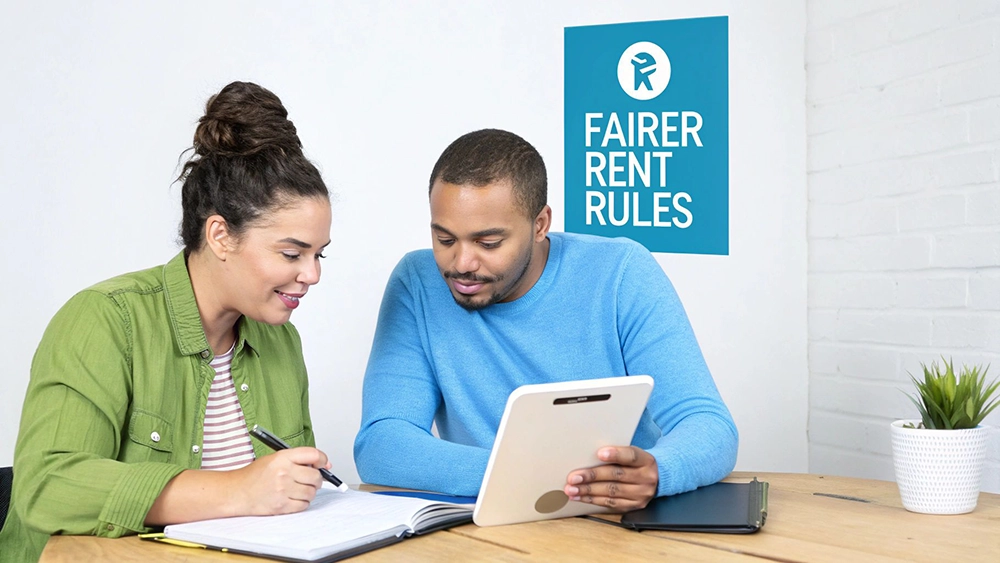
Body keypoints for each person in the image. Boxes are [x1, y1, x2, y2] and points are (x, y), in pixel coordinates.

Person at [0, 81, 334, 562]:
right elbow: (47, 487)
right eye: (291, 253)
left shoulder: (281, 343)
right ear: (220, 235)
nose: (312, 274)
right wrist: (238, 489)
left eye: (319, 255)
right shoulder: (104, 320)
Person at [354, 128, 738, 511]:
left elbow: (708, 424)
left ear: (540, 224)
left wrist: (657, 472)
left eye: (489, 244)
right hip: (486, 527)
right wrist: (533, 474)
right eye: (445, 239)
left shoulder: (620, 272)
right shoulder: (417, 283)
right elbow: (382, 443)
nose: (462, 264)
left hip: (614, 522)